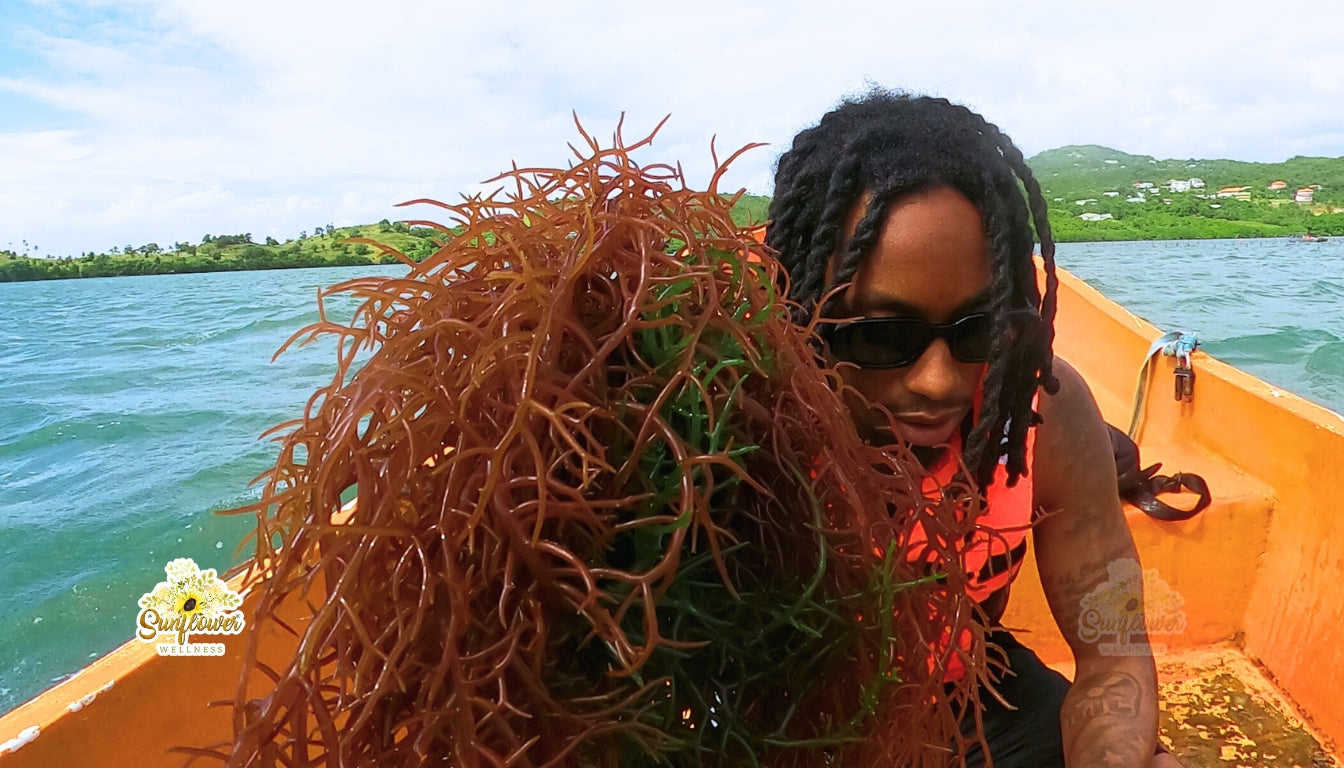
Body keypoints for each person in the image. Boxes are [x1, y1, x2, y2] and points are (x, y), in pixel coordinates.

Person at [766, 90, 1182, 768]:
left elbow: (1114, 661)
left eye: (977, 329)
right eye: (881, 336)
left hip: (973, 693)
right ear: (804, 314)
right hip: (799, 719)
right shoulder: (746, 425)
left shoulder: (1043, 408)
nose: (939, 383)